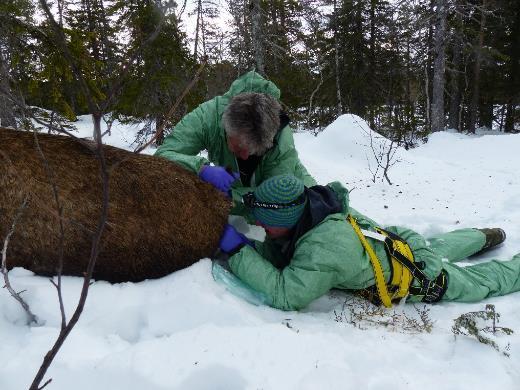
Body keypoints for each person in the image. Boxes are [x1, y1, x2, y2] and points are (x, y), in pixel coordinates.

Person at [217, 174, 519, 311]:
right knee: (435, 245)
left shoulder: (324, 248)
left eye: (263, 220)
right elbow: (283, 255)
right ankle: (485, 236)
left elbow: (287, 294)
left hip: (417, 278)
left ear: (286, 220)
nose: (256, 223)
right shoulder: (316, 210)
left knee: (482, 281)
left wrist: (239, 251)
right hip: (395, 247)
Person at [155, 71, 315, 218]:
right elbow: (162, 157)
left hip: (295, 184)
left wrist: (227, 196)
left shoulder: (280, 136)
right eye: (240, 148)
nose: (245, 156)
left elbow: (276, 198)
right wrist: (200, 168)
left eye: (254, 151)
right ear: (226, 128)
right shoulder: (206, 118)